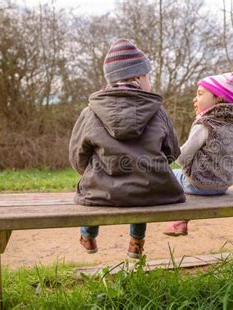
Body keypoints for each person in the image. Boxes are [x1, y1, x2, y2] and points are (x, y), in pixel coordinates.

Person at [69, 39, 185, 258]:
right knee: (141, 186)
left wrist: (91, 172)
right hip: (152, 191)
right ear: (138, 77)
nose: (150, 81)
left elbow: (78, 156)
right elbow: (172, 151)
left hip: (101, 191)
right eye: (149, 76)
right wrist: (151, 164)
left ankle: (88, 236)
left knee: (93, 193)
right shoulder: (158, 112)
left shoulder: (90, 112)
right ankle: (136, 243)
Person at [163, 72, 233, 236]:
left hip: (197, 184)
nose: (195, 98)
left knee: (169, 175)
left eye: (200, 94)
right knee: (183, 180)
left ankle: (179, 219)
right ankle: (181, 219)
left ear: (219, 99)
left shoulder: (205, 124)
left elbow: (182, 158)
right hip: (222, 186)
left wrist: (170, 150)